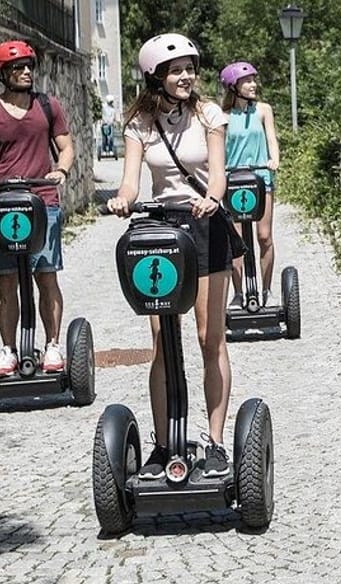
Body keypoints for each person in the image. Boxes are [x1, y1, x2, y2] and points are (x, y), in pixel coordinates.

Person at [107, 32, 232, 479]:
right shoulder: (140, 124)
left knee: (207, 338)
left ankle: (215, 443)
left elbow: (217, 175)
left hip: (206, 225)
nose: (185, 76)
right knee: (162, 341)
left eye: (189, 69)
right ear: (155, 77)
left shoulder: (210, 114)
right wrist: (122, 199)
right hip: (160, 229)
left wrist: (213, 199)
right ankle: (163, 446)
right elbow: (129, 181)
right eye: (175, 71)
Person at [0, 39, 75, 376]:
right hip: (4, 205)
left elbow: (66, 147)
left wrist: (60, 170)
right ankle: (8, 349)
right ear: (4, 73)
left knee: (46, 275)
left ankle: (53, 345)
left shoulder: (48, 106)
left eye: (29, 66)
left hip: (43, 202)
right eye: (18, 67)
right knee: (6, 280)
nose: (26, 72)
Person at [219, 61, 280, 307]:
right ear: (233, 87)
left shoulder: (263, 110)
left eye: (254, 80)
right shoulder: (222, 117)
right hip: (233, 182)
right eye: (247, 81)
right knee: (236, 241)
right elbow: (217, 151)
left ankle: (265, 291)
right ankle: (237, 293)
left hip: (261, 178)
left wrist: (273, 159)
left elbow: (271, 139)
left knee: (264, 236)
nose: (253, 85)